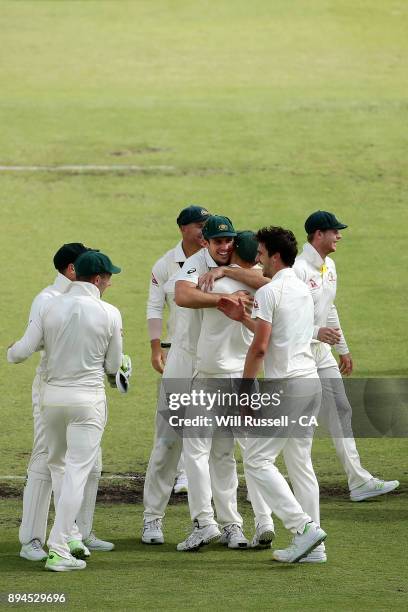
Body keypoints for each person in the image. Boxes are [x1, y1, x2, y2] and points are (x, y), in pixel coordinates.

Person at [8, 250, 124, 571]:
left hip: (52, 401)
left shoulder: (49, 306)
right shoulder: (110, 312)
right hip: (87, 401)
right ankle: (60, 547)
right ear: (98, 279)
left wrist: (9, 353)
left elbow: (20, 352)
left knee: (59, 468)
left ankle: (69, 536)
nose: (111, 283)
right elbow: (114, 365)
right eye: (109, 277)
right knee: (76, 472)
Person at [220, 227, 327, 563]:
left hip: (287, 389)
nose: (258, 259)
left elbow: (261, 348)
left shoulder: (270, 292)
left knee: (256, 459)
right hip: (310, 384)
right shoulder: (300, 288)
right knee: (300, 464)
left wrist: (243, 392)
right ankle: (315, 548)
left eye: (262, 253)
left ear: (275, 255)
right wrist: (245, 319)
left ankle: (303, 529)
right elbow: (279, 335)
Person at [293, 211, 399, 501]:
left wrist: (343, 348)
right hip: (298, 354)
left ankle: (358, 481)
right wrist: (316, 332)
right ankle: (261, 479)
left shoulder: (330, 266)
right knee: (297, 421)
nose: (339, 236)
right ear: (318, 234)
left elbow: (330, 308)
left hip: (322, 353)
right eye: (334, 232)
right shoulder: (299, 269)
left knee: (341, 410)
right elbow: (288, 318)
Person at [176, 231, 261, 551]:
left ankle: (204, 522)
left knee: (195, 451)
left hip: (210, 377)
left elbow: (181, 295)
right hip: (240, 377)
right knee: (224, 455)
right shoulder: (261, 286)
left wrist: (221, 275)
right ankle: (233, 527)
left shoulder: (209, 282)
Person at [146, 205, 210, 494]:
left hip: (210, 351)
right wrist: (155, 347)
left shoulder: (213, 259)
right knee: (175, 415)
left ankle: (189, 474)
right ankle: (177, 474)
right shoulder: (165, 264)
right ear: (183, 228)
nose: (203, 230)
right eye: (199, 225)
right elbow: (154, 306)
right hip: (178, 351)